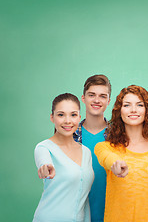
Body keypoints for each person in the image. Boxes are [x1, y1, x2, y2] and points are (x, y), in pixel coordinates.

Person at [94, 85, 148, 222]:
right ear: (119, 111)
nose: (133, 110)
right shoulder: (105, 148)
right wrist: (116, 163)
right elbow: (108, 159)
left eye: (139, 105)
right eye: (127, 105)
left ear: (147, 111)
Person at [33, 93, 94, 222]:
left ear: (79, 117)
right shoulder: (44, 148)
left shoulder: (86, 152)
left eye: (73, 115)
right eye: (61, 115)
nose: (67, 121)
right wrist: (45, 167)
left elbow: (84, 199)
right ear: (52, 117)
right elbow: (44, 162)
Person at [73, 74, 111, 222]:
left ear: (108, 100)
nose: (96, 100)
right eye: (91, 95)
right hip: (77, 215)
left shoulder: (118, 135)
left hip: (112, 214)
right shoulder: (70, 133)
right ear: (83, 98)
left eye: (102, 96)